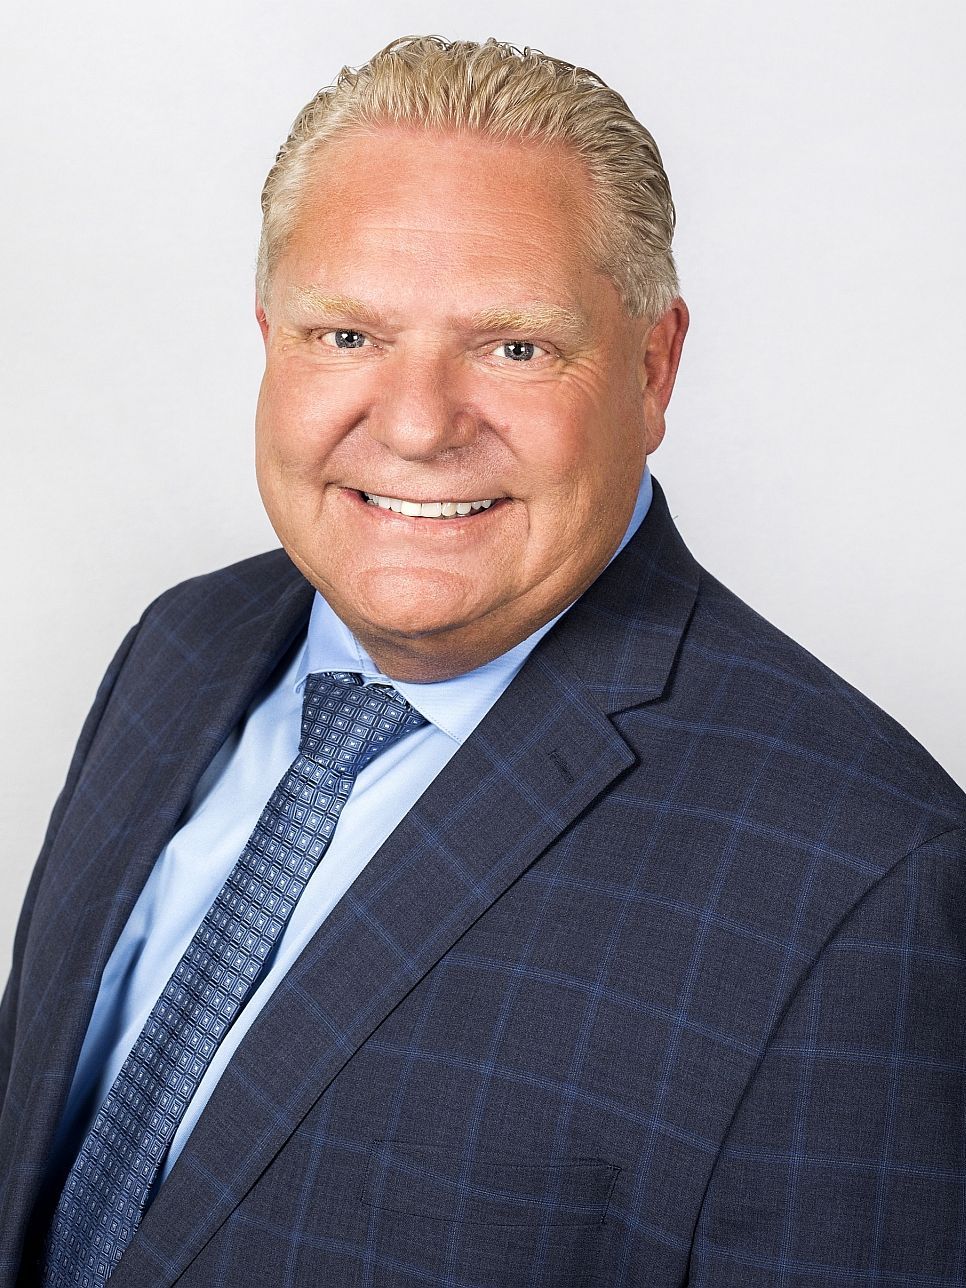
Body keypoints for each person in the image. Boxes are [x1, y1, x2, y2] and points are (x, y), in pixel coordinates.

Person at [1, 33, 964, 1288]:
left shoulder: (866, 884)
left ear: (654, 366)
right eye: (345, 334)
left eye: (514, 346)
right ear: (268, 337)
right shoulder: (179, 651)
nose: (414, 423)